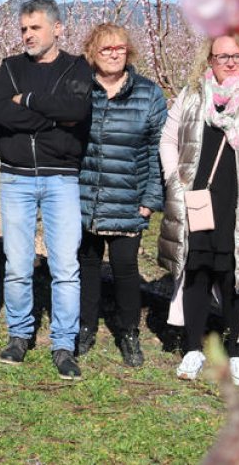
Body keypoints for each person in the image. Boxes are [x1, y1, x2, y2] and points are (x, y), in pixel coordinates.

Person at [158, 34, 239, 388]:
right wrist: (175, 179)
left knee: (235, 276)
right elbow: (168, 140)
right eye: (222, 56)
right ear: (209, 60)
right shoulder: (192, 96)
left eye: (237, 56)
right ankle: (192, 347)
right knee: (197, 269)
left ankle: (237, 352)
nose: (230, 62)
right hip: (198, 199)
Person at [0, 0, 92, 380]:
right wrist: (51, 117)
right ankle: (19, 335)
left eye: (35, 28)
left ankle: (64, 344)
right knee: (17, 264)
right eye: (23, 29)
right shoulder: (11, 68)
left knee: (65, 266)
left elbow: (76, 111)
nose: (27, 35)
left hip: (60, 177)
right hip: (15, 175)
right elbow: (1, 111)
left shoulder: (76, 68)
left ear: (57, 28)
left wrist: (30, 102)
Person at [76, 23, 167, 367]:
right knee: (86, 266)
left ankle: (129, 333)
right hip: (85, 195)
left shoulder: (147, 94)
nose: (114, 54)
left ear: (129, 52)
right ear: (92, 54)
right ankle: (85, 326)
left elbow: (159, 150)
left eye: (120, 48)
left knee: (126, 268)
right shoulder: (79, 89)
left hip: (129, 196)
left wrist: (151, 198)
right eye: (106, 49)